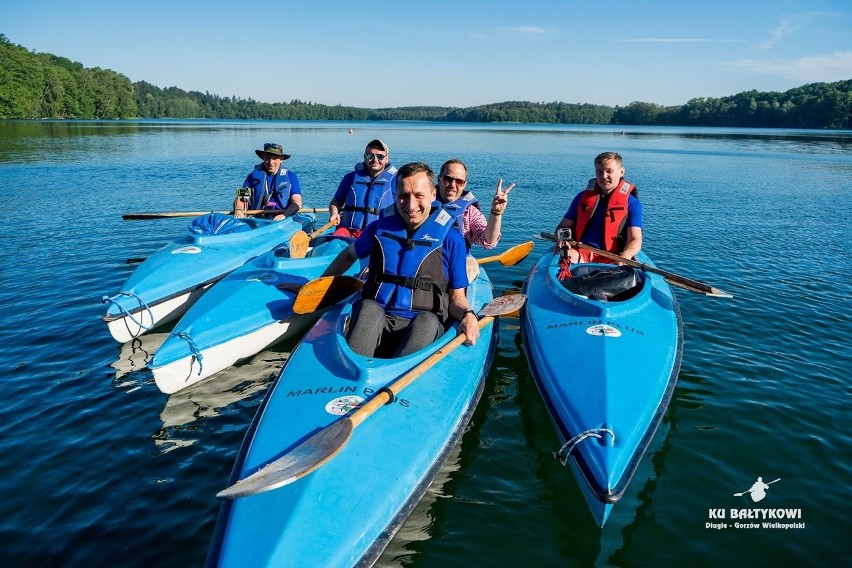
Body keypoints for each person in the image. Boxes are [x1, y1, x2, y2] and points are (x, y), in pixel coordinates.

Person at [322, 162, 479, 358]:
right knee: (368, 308)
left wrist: (468, 315)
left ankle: (400, 377)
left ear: (433, 194)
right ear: (395, 195)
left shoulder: (451, 240)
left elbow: (457, 298)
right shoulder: (379, 229)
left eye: (419, 195)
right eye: (404, 196)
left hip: (422, 326)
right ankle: (351, 373)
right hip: (377, 317)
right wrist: (319, 284)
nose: (411, 205)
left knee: (427, 321)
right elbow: (348, 255)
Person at [555, 151, 643, 264]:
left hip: (615, 257)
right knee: (566, 256)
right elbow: (562, 227)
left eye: (609, 171)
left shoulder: (632, 203)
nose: (604, 176)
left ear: (621, 172)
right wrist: (562, 241)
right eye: (599, 172)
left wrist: (626, 255)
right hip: (581, 253)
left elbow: (635, 239)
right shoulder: (582, 198)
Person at [437, 159, 514, 251]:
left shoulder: (469, 212)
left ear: (464, 184)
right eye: (448, 179)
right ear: (439, 179)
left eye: (459, 182)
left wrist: (496, 213)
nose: (453, 185)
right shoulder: (423, 204)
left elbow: (488, 240)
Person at [328, 139, 397, 239]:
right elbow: (336, 202)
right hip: (348, 230)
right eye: (370, 156)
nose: (375, 160)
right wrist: (334, 213)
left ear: (387, 159)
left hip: (379, 231)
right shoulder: (350, 178)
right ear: (365, 157)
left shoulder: (396, 181)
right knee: (333, 246)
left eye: (380, 156)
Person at [233, 142, 303, 221]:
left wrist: (284, 215)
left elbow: (297, 202)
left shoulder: (291, 177)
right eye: (268, 158)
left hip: (281, 217)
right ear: (263, 157)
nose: (270, 162)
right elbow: (240, 197)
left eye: (274, 158)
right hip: (257, 217)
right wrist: (238, 210)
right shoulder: (252, 176)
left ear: (281, 160)